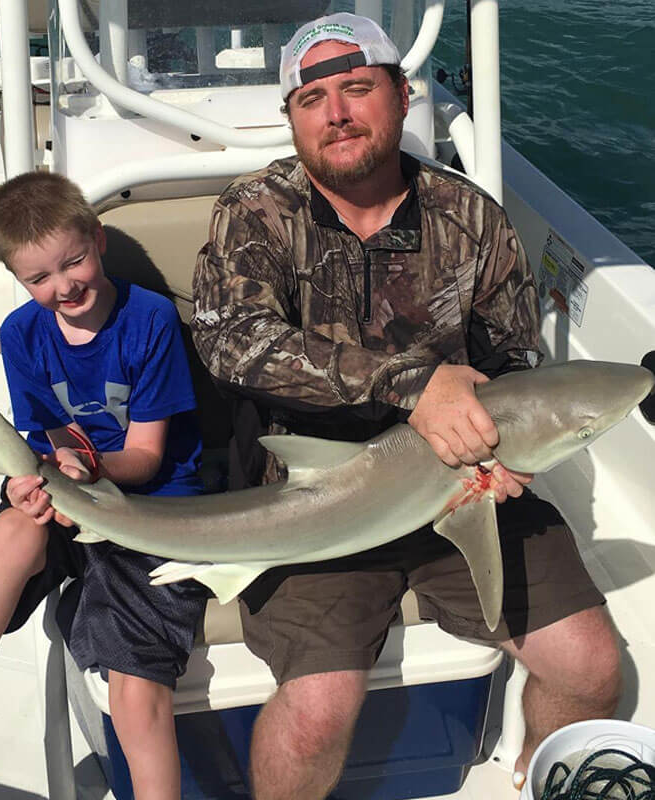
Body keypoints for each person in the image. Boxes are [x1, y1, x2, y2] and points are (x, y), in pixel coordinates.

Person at [191, 12, 622, 799]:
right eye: (312, 98)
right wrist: (411, 383)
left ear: (401, 94)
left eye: (357, 88)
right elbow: (234, 344)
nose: (337, 113)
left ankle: (536, 775)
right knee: (318, 711)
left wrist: (498, 453)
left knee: (592, 666)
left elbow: (511, 357)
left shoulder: (469, 216)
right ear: (292, 118)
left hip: (463, 476)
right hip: (313, 491)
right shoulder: (255, 213)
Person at [0, 171, 206, 800]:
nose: (64, 286)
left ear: (97, 240)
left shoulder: (150, 321)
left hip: (151, 512)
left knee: (136, 681)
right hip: (69, 492)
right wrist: (27, 487)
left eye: (74, 263)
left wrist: (86, 467)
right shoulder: (20, 335)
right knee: (15, 528)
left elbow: (147, 458)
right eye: (40, 278)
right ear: (18, 279)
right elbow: (38, 444)